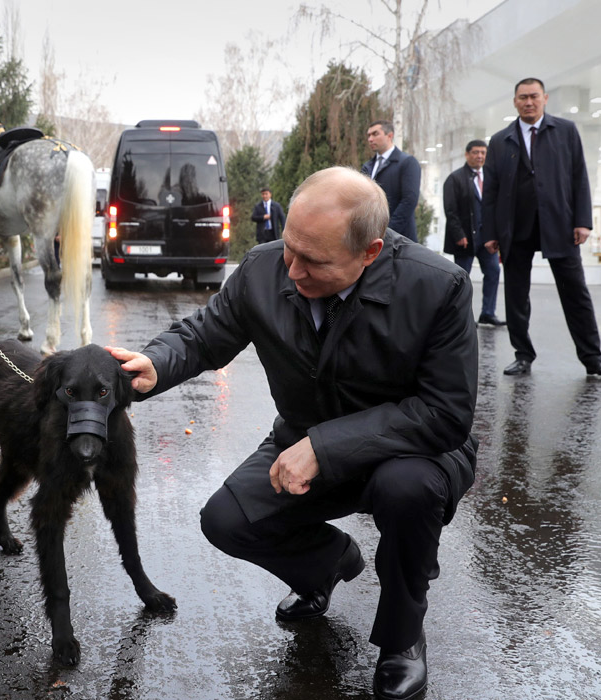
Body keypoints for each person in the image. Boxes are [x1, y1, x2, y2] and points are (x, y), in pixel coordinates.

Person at [108, 167, 478, 700]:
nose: (293, 269)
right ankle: (325, 567)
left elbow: (445, 412)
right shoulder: (264, 268)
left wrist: (325, 449)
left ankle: (402, 638)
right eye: (290, 247)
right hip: (304, 437)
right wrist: (156, 363)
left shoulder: (437, 286)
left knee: (406, 490)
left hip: (416, 450)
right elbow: (205, 335)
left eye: (314, 261)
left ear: (370, 252)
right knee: (227, 520)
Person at [481, 77, 601, 377]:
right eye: (523, 97)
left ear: (545, 98)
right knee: (516, 296)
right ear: (515, 102)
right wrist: (490, 233)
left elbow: (579, 176)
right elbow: (491, 190)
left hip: (559, 224)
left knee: (575, 293)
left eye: (534, 96)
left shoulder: (566, 131)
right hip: (515, 228)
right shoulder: (500, 140)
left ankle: (593, 357)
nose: (529, 102)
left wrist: (583, 221)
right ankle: (523, 355)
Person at [443, 140, 505, 326]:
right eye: (476, 152)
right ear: (467, 154)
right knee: (462, 279)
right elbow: (450, 210)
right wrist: (458, 234)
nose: (480, 156)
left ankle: (488, 313)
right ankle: (463, 316)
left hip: (487, 239)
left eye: (483, 153)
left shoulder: (491, 178)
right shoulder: (455, 178)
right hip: (465, 239)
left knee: (493, 272)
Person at [362, 120, 421, 242]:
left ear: (390, 136)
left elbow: (409, 200)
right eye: (368, 135)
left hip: (399, 239)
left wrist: (387, 232)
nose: (370, 139)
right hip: (372, 236)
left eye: (375, 134)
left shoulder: (407, 162)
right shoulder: (368, 167)